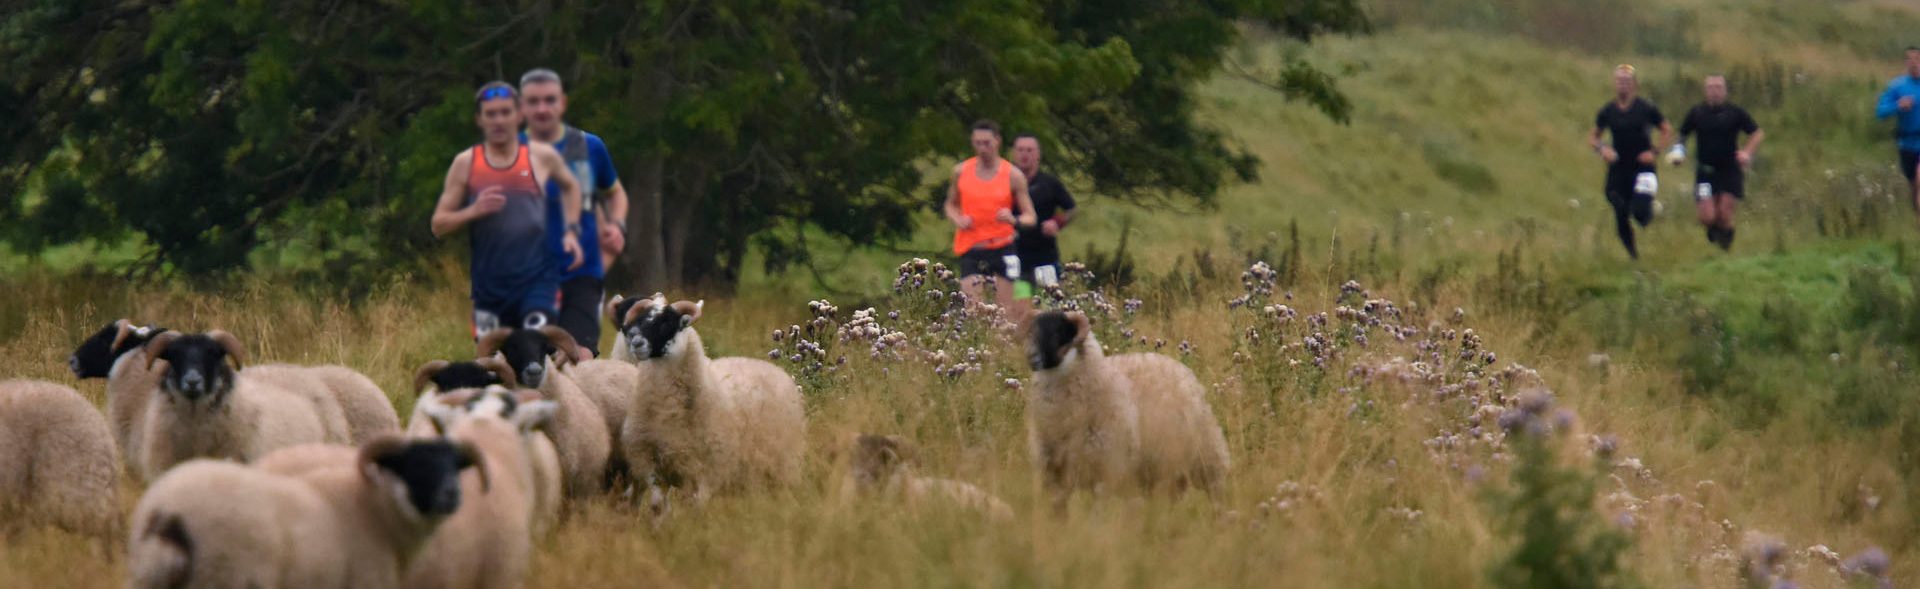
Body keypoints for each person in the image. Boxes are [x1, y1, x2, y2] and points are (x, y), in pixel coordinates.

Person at [432, 81, 585, 339]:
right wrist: (473, 211)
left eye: (505, 112)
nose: (499, 121)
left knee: (536, 355)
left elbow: (571, 187)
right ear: (479, 120)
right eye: (491, 114)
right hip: (490, 289)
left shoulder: (542, 156)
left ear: (520, 115)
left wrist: (571, 231)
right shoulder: (466, 162)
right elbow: (438, 225)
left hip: (539, 283)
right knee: (491, 365)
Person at [519, 68, 630, 359]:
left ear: (562, 104)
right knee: (533, 361)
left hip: (583, 274)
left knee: (579, 357)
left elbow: (615, 193)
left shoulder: (590, 146)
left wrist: (616, 225)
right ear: (522, 106)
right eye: (534, 101)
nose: (542, 108)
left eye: (549, 100)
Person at [945, 120, 1037, 315]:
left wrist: (1014, 219)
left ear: (998, 141)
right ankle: (977, 344)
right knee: (972, 310)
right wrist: (958, 219)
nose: (982, 148)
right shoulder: (961, 171)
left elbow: (1030, 216)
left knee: (1004, 313)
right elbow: (950, 205)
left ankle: (1003, 343)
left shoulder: (1012, 175)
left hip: (1004, 248)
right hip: (972, 247)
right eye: (977, 143)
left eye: (986, 143)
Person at [1589, 64, 1674, 260]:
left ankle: (1648, 210)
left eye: (1627, 81)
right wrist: (1603, 149)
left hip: (1643, 168)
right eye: (1619, 81)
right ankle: (1633, 255)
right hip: (1618, 168)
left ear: (1635, 84)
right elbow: (1593, 137)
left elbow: (1666, 130)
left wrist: (1654, 151)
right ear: (1614, 84)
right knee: (1619, 207)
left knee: (1640, 214)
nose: (1623, 85)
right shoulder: (1608, 111)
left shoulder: (1646, 108)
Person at [1670, 75, 1764, 251]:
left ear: (1725, 91)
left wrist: (1746, 152)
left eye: (1719, 87)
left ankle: (1725, 250)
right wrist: (1678, 152)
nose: (1715, 91)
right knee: (1707, 217)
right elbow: (1682, 135)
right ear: (1705, 91)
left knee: (1724, 213)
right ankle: (1714, 231)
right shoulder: (1697, 113)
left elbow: (1757, 133)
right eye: (1711, 88)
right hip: (1705, 172)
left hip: (1730, 171)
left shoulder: (1735, 113)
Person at [1009, 134, 1076, 318]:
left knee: (1050, 304)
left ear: (1038, 155)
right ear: (1014, 154)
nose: (1025, 155)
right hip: (1016, 257)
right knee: (1020, 308)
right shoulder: (1006, 182)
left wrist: (1057, 222)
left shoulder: (1049, 183)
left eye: (1030, 150)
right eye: (1021, 150)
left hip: (1044, 257)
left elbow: (1071, 208)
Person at [1876, 46, 1920, 214]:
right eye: (1910, 60)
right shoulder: (1897, 86)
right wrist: (1898, 106)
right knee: (1914, 186)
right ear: (1905, 63)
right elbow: (1881, 113)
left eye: (1918, 59)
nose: (1914, 64)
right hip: (1907, 143)